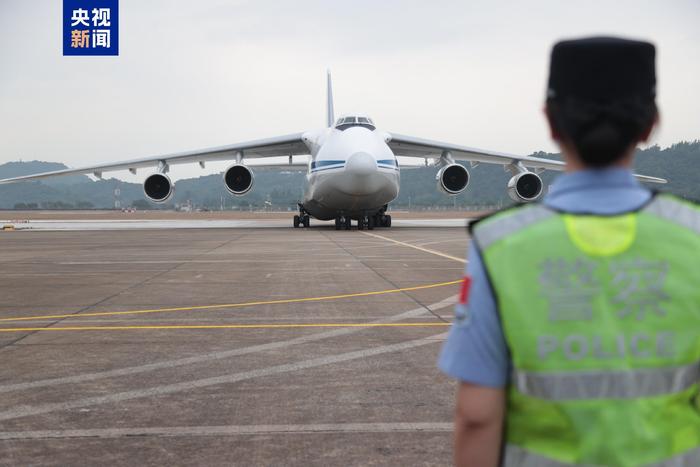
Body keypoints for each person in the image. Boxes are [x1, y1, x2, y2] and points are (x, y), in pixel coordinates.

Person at [438, 37, 700, 467]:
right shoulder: (692, 238)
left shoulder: (502, 246)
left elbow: (477, 417)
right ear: (650, 124)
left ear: (551, 122)